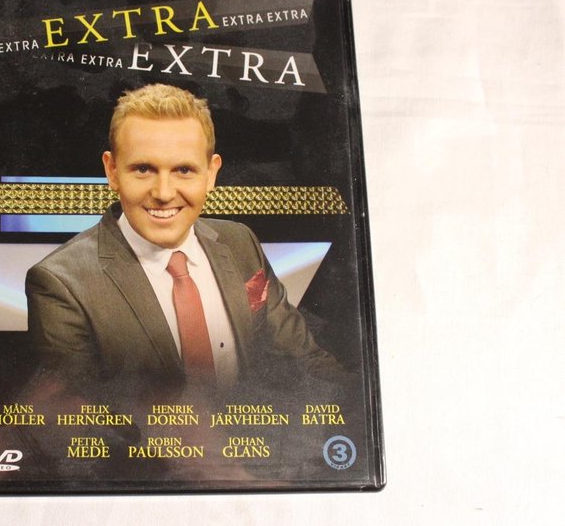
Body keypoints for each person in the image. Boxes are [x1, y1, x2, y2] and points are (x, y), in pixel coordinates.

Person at [25, 83, 346, 404]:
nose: (164, 193)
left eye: (183, 170)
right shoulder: (59, 283)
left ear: (211, 173)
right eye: (143, 169)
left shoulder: (240, 242)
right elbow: (82, 414)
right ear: (112, 171)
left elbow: (306, 360)